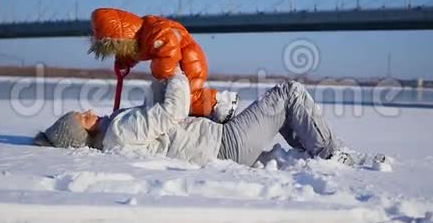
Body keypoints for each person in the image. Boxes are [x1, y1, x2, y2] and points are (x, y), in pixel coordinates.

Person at [34, 68, 343, 166]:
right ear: (81, 135)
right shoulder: (119, 131)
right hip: (226, 144)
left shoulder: (116, 132)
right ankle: (329, 155)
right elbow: (171, 112)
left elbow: (153, 111)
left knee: (284, 114)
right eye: (83, 118)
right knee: (289, 92)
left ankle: (313, 151)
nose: (88, 112)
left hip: (221, 141)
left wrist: (159, 72)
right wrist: (176, 73)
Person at [89, 8, 238, 123]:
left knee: (186, 98)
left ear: (121, 39)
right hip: (178, 64)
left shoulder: (154, 31)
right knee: (169, 100)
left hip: (189, 62)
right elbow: (138, 52)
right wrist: (125, 61)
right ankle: (203, 115)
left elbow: (169, 46)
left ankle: (222, 101)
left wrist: (161, 71)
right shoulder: (140, 37)